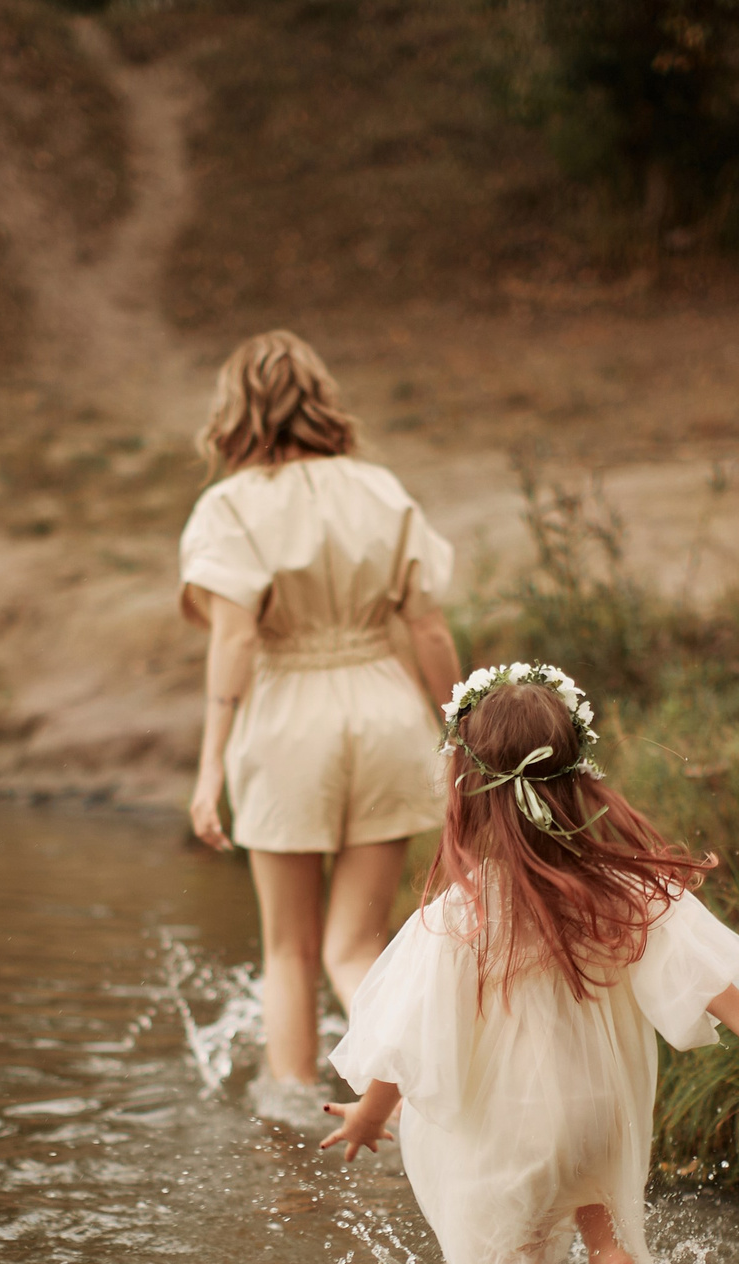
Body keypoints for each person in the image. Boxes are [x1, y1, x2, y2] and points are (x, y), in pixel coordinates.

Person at [319, 665, 739, 1264]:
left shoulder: (460, 916)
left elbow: (411, 1037)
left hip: (513, 1123)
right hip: (601, 1105)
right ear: (577, 781)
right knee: (598, 1209)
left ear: (467, 791)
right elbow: (683, 950)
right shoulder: (611, 886)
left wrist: (371, 1115)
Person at [181, 331, 463, 1120]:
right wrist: (462, 732)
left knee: (289, 951)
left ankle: (292, 1133)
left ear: (234, 411)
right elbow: (430, 630)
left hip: (285, 722)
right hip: (385, 713)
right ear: (322, 399)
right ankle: (413, 1097)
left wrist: (208, 771)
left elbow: (235, 638)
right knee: (356, 945)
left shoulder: (229, 506)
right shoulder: (380, 489)